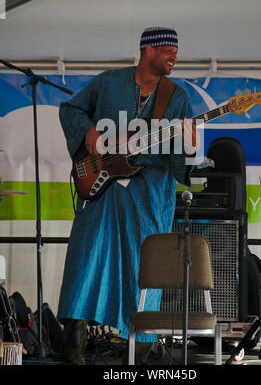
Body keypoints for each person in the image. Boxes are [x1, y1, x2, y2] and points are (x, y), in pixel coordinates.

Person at [57, 27, 197, 364]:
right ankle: (72, 339)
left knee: (145, 263)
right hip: (103, 188)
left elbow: (180, 166)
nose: (174, 57)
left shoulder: (177, 97)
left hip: (149, 194)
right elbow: (70, 110)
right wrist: (88, 131)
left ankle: (143, 343)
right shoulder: (107, 83)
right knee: (87, 255)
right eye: (167, 50)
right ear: (148, 50)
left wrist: (189, 146)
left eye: (176, 52)